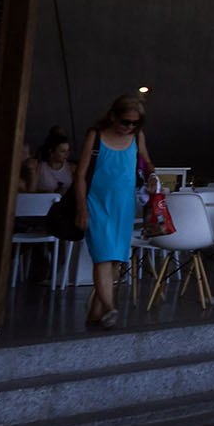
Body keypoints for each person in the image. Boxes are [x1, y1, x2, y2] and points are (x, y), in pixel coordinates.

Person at [75, 93, 154, 329]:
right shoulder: (96, 136)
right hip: (96, 203)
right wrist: (81, 209)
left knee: (117, 259)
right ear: (113, 116)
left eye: (134, 123)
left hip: (124, 205)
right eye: (125, 122)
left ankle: (96, 314)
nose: (128, 127)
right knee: (102, 255)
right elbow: (80, 174)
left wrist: (151, 175)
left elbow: (146, 161)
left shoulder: (136, 136)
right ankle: (109, 307)